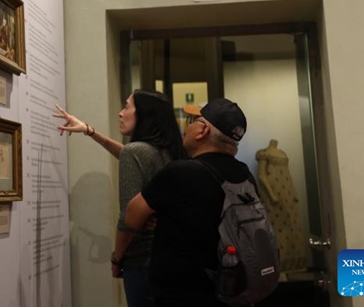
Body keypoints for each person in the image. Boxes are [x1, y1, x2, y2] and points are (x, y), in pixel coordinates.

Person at [54, 90, 187, 307]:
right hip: (174, 259)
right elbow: (129, 153)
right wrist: (89, 130)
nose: (120, 113)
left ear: (143, 114)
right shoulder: (169, 151)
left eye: (127, 107)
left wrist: (117, 258)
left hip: (143, 260)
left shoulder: (137, 152)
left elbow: (128, 219)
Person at [124, 98, 253, 307]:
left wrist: (154, 215)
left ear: (203, 131)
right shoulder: (245, 175)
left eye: (193, 120)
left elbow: (131, 217)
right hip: (231, 291)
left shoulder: (180, 173)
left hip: (183, 296)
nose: (187, 125)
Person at [256, 139, 305, 271]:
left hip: (287, 191)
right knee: (276, 226)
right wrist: (271, 194)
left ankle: (293, 261)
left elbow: (288, 174)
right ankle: (278, 261)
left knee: (292, 224)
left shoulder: (282, 153)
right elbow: (262, 175)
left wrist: (294, 191)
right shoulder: (264, 153)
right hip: (274, 190)